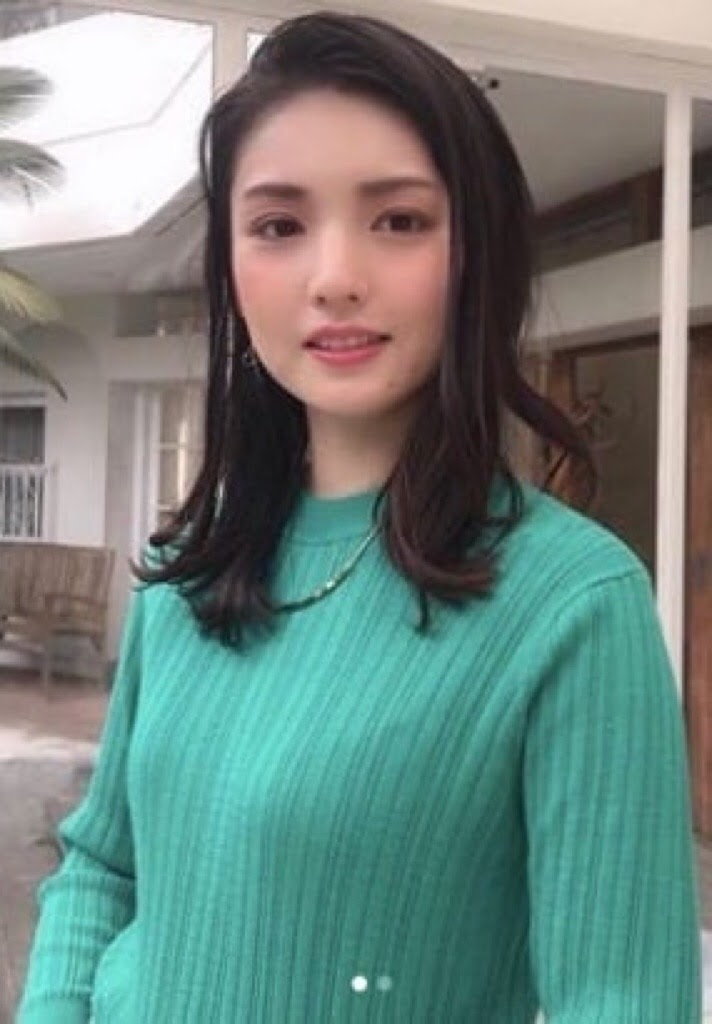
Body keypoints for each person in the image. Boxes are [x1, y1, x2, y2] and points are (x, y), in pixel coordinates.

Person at [18, 12, 700, 1024]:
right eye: (278, 226)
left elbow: (620, 1001)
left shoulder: (573, 605)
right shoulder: (190, 567)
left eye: (399, 220)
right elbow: (104, 869)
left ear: (475, 256)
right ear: (232, 267)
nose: (334, 276)